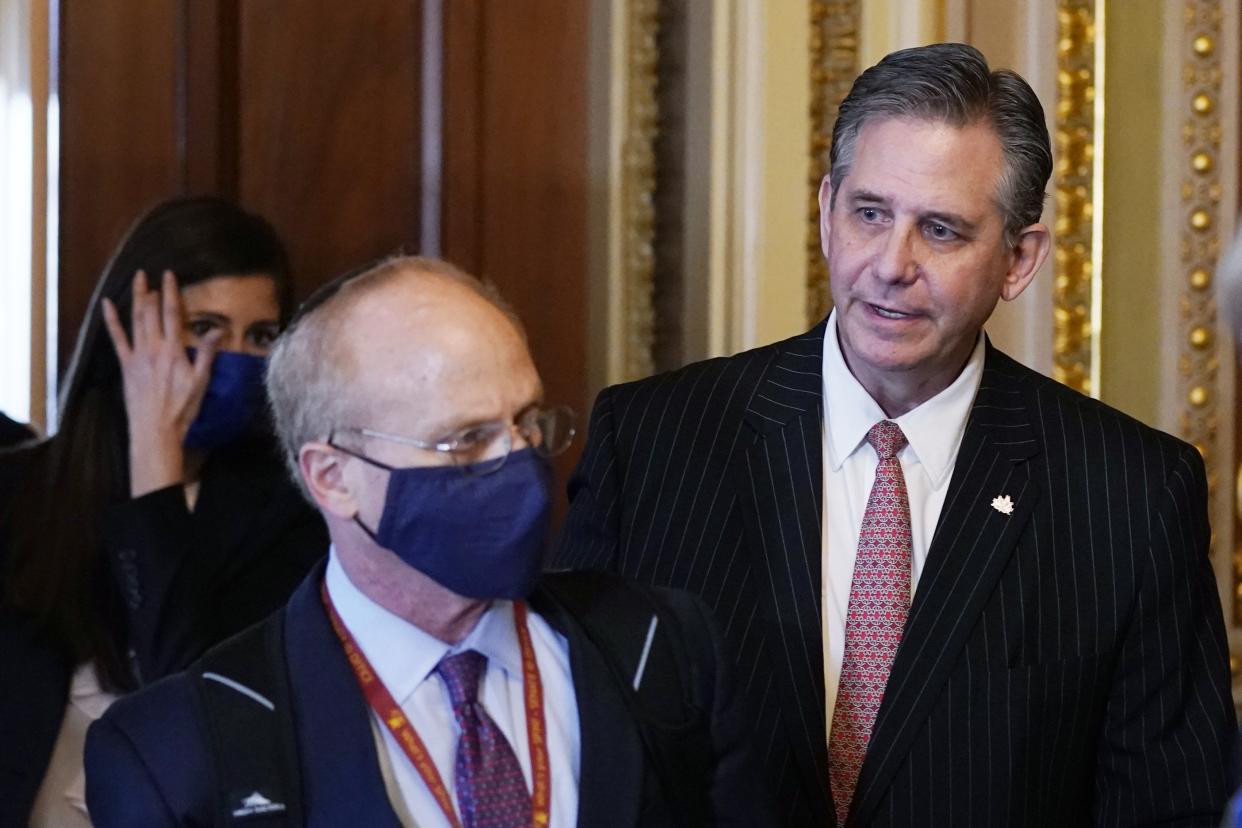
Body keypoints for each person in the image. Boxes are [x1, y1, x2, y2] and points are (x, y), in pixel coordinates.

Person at [554, 42, 1236, 826]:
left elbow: (1165, 810)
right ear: (825, 212)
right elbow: (578, 751)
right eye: (870, 213)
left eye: (941, 231)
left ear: (1018, 259)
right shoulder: (653, 443)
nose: (891, 263)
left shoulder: (1131, 493)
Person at [84, 256, 771, 827]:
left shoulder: (667, 648)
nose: (519, 464)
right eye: (466, 440)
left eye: (529, 423)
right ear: (333, 477)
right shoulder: (173, 750)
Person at [0, 197, 327, 827]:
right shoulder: (19, 495)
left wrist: (157, 469)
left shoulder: (293, 520)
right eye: (204, 329)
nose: (232, 360)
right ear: (124, 334)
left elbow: (191, 709)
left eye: (259, 337)